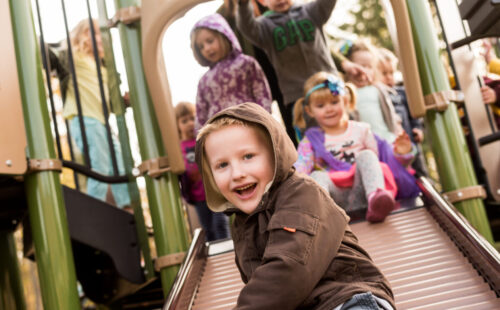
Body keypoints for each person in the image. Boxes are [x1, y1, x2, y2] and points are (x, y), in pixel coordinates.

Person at [195, 102, 395, 310]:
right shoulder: (243, 223)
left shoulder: (301, 193)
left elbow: (288, 268)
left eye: (248, 156)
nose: (236, 174)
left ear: (275, 154)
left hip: (347, 297)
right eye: (222, 165)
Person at [236, 0, 368, 145]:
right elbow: (247, 27)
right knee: (313, 138)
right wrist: (243, 4)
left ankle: (356, 152)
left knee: (346, 127)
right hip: (299, 95)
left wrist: (346, 65)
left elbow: (326, 4)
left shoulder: (310, 11)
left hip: (329, 86)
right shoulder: (264, 27)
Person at [294, 72, 418, 221]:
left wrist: (401, 152)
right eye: (320, 105)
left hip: (364, 190)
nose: (329, 109)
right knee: (316, 176)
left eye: (334, 102)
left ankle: (376, 199)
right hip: (336, 198)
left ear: (345, 101)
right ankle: (323, 215)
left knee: (367, 155)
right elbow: (300, 172)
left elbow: (385, 161)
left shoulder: (361, 130)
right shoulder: (310, 141)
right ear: (309, 111)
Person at [61, 19, 130, 208]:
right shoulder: (75, 58)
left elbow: (110, 101)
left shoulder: (104, 67)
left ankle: (127, 208)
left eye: (102, 34)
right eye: (93, 33)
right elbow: (56, 56)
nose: (99, 38)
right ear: (81, 36)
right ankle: (94, 208)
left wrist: (123, 101)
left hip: (102, 122)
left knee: (120, 166)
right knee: (99, 168)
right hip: (85, 120)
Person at [191, 13, 272, 130]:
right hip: (219, 133)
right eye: (201, 47)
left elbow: (262, 94)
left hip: (250, 125)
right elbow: (201, 115)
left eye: (210, 41)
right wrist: (201, 139)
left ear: (223, 35)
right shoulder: (204, 81)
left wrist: (264, 123)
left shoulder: (246, 63)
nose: (207, 48)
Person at [175, 102, 229, 242]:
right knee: (208, 229)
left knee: (220, 223)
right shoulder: (179, 148)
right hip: (198, 196)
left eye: (192, 118)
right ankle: (214, 256)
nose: (190, 123)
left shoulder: (202, 140)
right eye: (184, 121)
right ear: (177, 125)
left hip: (214, 190)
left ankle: (226, 252)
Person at [378, 47, 428, 177]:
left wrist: (417, 128)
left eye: (391, 73)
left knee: (419, 171)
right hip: (392, 145)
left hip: (410, 141)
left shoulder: (401, 92)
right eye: (384, 74)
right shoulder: (377, 96)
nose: (389, 77)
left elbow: (413, 115)